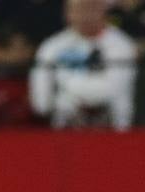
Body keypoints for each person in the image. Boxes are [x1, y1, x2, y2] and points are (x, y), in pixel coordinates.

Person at [29, 0, 137, 129]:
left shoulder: (122, 44)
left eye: (89, 8)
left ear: (102, 10)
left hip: (115, 131)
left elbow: (112, 89)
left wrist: (68, 91)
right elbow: (41, 101)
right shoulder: (52, 47)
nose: (83, 14)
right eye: (76, 9)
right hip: (65, 131)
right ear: (67, 13)